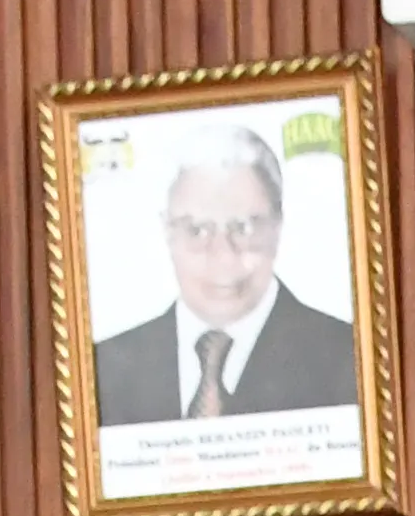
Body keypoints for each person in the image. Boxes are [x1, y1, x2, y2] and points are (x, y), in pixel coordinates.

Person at [85, 121, 363, 424]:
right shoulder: (104, 370)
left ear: (277, 226)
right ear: (167, 230)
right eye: (197, 230)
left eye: (243, 227)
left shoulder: (348, 357)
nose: (223, 256)